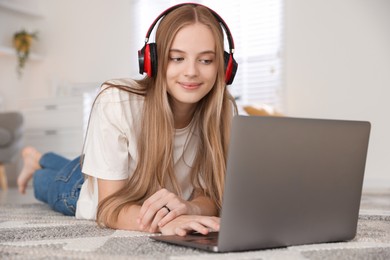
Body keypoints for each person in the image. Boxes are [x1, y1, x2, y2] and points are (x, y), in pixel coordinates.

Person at [17, 3, 238, 236]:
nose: (191, 71)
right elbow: (108, 208)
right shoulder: (117, 102)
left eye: (205, 60)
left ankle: (39, 157)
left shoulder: (222, 114)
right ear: (153, 60)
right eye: (177, 58)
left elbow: (209, 195)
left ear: (224, 68)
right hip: (84, 187)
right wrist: (163, 224)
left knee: (77, 165)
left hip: (112, 170)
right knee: (49, 182)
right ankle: (36, 165)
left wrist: (190, 208)